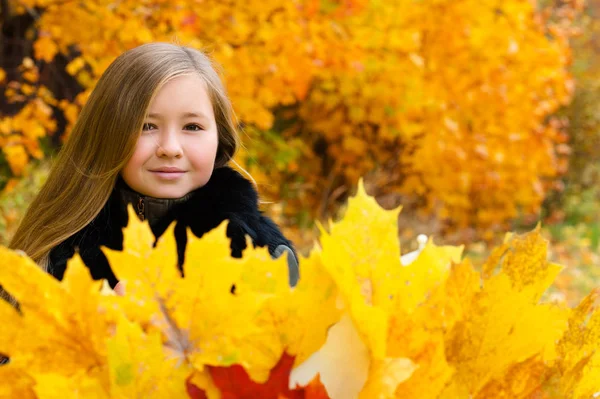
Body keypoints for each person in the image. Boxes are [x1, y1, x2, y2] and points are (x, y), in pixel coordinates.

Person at [6, 42, 300, 297]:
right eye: (146, 126)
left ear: (220, 139)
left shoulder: (262, 257)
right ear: (108, 134)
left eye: (192, 127)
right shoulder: (54, 251)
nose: (170, 147)